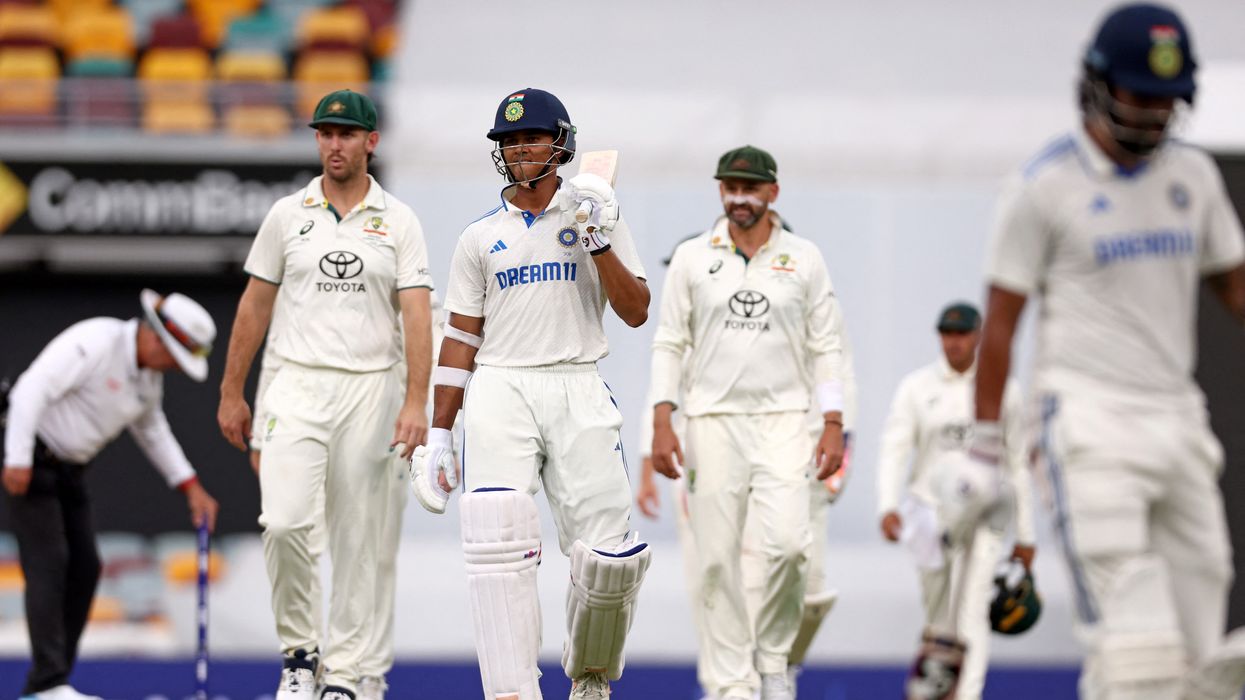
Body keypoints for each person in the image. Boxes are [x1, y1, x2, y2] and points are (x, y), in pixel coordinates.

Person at [937, 5, 1245, 699]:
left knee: (1205, 653)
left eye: (1166, 100)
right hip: (1085, 422)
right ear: (1097, 85)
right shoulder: (1042, 186)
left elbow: (1234, 285)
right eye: (1140, 94)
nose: (1152, 114)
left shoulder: (1191, 178)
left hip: (1178, 420)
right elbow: (1000, 322)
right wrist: (985, 448)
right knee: (1137, 645)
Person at [409, 87, 649, 700]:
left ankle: (590, 678)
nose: (519, 149)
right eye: (509, 140)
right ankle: (511, 691)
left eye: (531, 137)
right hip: (501, 387)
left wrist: (597, 239)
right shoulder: (478, 237)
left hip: (576, 381)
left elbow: (637, 310)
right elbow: (461, 338)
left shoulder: (598, 211)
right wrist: (440, 433)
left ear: (560, 143)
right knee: (497, 543)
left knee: (610, 561)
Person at [216, 89, 433, 700]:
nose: (334, 144)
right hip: (296, 383)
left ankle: (342, 673)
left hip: (370, 386)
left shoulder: (400, 220)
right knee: (283, 524)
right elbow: (255, 305)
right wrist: (233, 392)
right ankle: (299, 655)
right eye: (325, 133)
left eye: (346, 133)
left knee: (358, 539)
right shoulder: (289, 214)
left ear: (371, 141)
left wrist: (416, 402)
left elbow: (417, 316)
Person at [650, 145, 847, 700]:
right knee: (715, 558)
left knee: (788, 546)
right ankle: (733, 681)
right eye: (730, 187)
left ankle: (774, 660)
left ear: (772, 193)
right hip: (711, 422)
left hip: (785, 420)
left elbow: (826, 345)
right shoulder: (692, 257)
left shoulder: (804, 257)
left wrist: (832, 419)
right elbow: (669, 342)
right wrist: (662, 420)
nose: (739, 198)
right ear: (720, 192)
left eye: (750, 188)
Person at [2, 289, 220, 700]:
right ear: (156, 338)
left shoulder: (147, 379)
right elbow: (31, 389)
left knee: (86, 567)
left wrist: (190, 486)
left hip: (70, 471)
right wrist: (16, 458)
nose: (175, 367)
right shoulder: (97, 341)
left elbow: (152, 430)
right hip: (30, 456)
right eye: (175, 356)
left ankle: (48, 683)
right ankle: (48, 683)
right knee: (49, 563)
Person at [247, 293, 449, 700]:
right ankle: (306, 664)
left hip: (389, 427)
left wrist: (431, 433)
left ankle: (365, 673)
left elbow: (439, 357)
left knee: (373, 552)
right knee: (299, 536)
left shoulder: (418, 289)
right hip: (315, 415)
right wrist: (259, 431)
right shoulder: (321, 280)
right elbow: (280, 347)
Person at [876, 302, 1035, 700]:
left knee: (973, 608)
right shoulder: (918, 387)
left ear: (978, 336)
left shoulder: (1002, 390)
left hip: (983, 515)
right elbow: (894, 448)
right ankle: (938, 692)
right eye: (947, 333)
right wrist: (887, 505)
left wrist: (1027, 535)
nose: (954, 342)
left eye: (962, 333)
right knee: (938, 614)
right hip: (928, 512)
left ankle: (967, 695)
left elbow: (1017, 463)